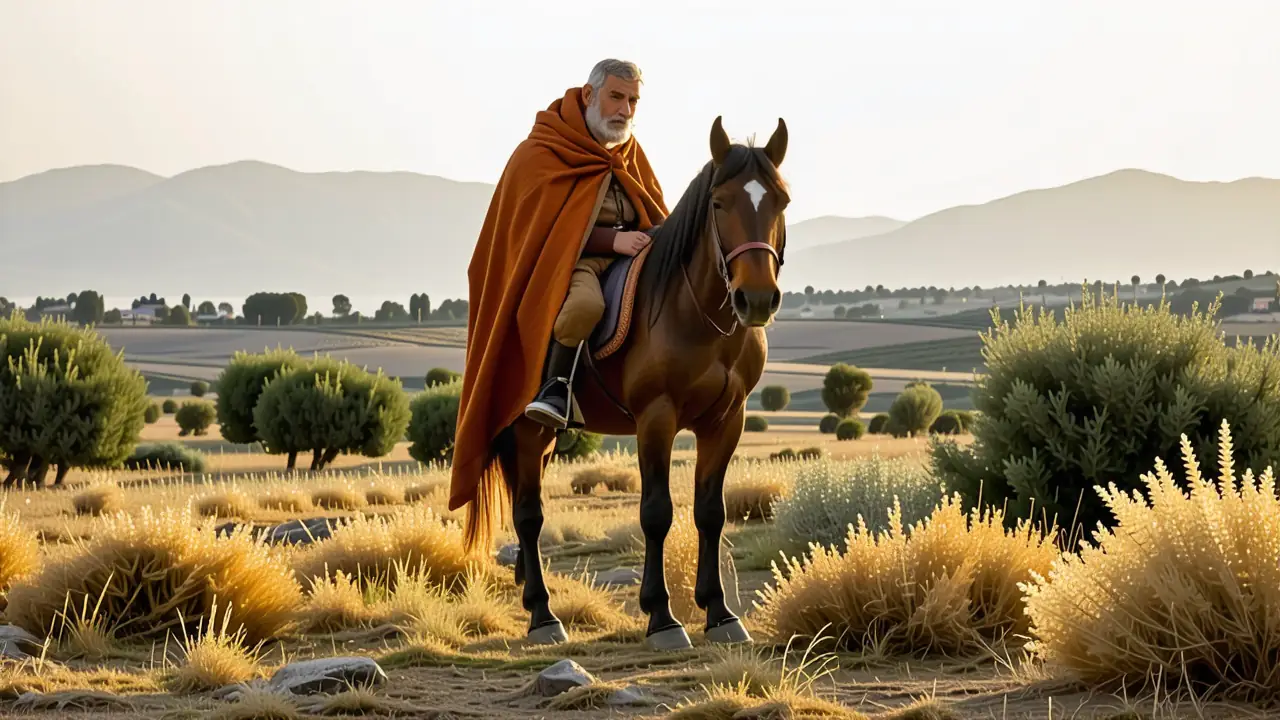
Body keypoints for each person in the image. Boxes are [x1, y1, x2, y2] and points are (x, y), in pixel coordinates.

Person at [448, 59, 669, 513]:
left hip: (637, 255)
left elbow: (652, 208)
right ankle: (555, 389)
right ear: (589, 95)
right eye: (616, 97)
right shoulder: (542, 152)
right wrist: (614, 240)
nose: (625, 110)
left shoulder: (628, 152)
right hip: (574, 262)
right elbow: (542, 232)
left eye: (633, 101)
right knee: (585, 306)